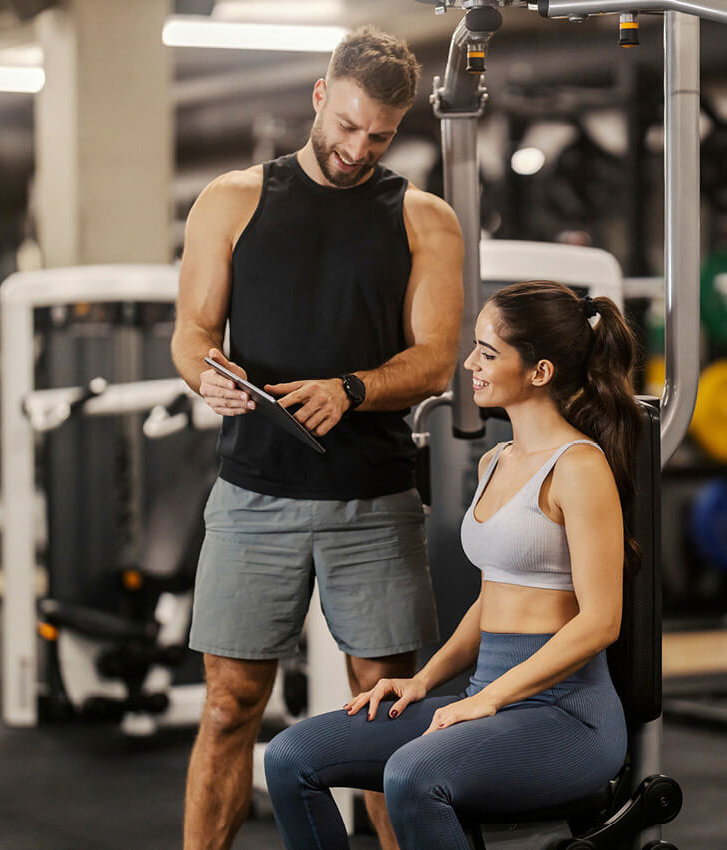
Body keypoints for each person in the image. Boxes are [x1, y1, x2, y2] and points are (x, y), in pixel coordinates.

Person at [170, 27, 463, 850]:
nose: (355, 148)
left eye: (379, 135)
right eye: (346, 124)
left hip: (373, 501)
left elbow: (437, 358)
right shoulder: (234, 197)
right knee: (229, 707)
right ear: (319, 97)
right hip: (252, 496)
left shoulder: (422, 218)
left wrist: (353, 390)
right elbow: (191, 333)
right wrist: (208, 375)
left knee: (382, 715)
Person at [263, 280, 644, 850]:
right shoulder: (497, 459)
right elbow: (493, 598)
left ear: (538, 372)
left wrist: (489, 698)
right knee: (292, 757)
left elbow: (600, 621)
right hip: (490, 689)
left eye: (487, 353)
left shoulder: (579, 467)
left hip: (567, 715)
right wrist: (423, 681)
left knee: (414, 775)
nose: (470, 363)